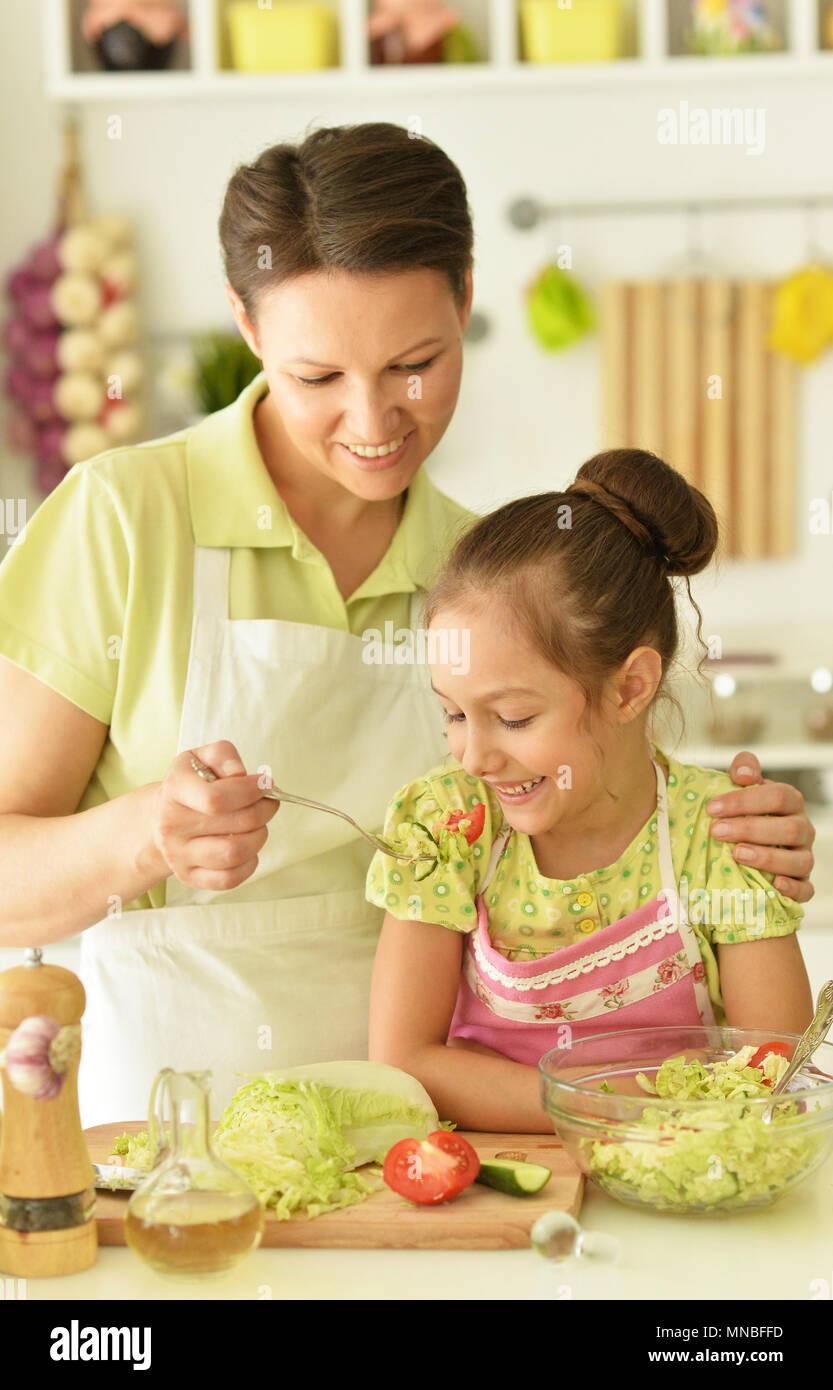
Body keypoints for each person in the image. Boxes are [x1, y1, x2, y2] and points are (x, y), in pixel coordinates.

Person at [0, 125, 815, 1128]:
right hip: (178, 1137)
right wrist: (145, 836)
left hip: (441, 1144)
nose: (374, 419)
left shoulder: (488, 575)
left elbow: (600, 821)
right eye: (318, 378)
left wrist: (733, 841)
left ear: (465, 300)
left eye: (414, 363)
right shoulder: (122, 519)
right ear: (247, 328)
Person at [366, 449, 815, 1132]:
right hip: (495, 1194)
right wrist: (611, 1108)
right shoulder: (446, 824)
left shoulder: (722, 832)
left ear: (629, 687)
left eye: (513, 718)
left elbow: (768, 1070)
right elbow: (403, 1059)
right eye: (453, 713)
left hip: (683, 1189)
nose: (475, 755)